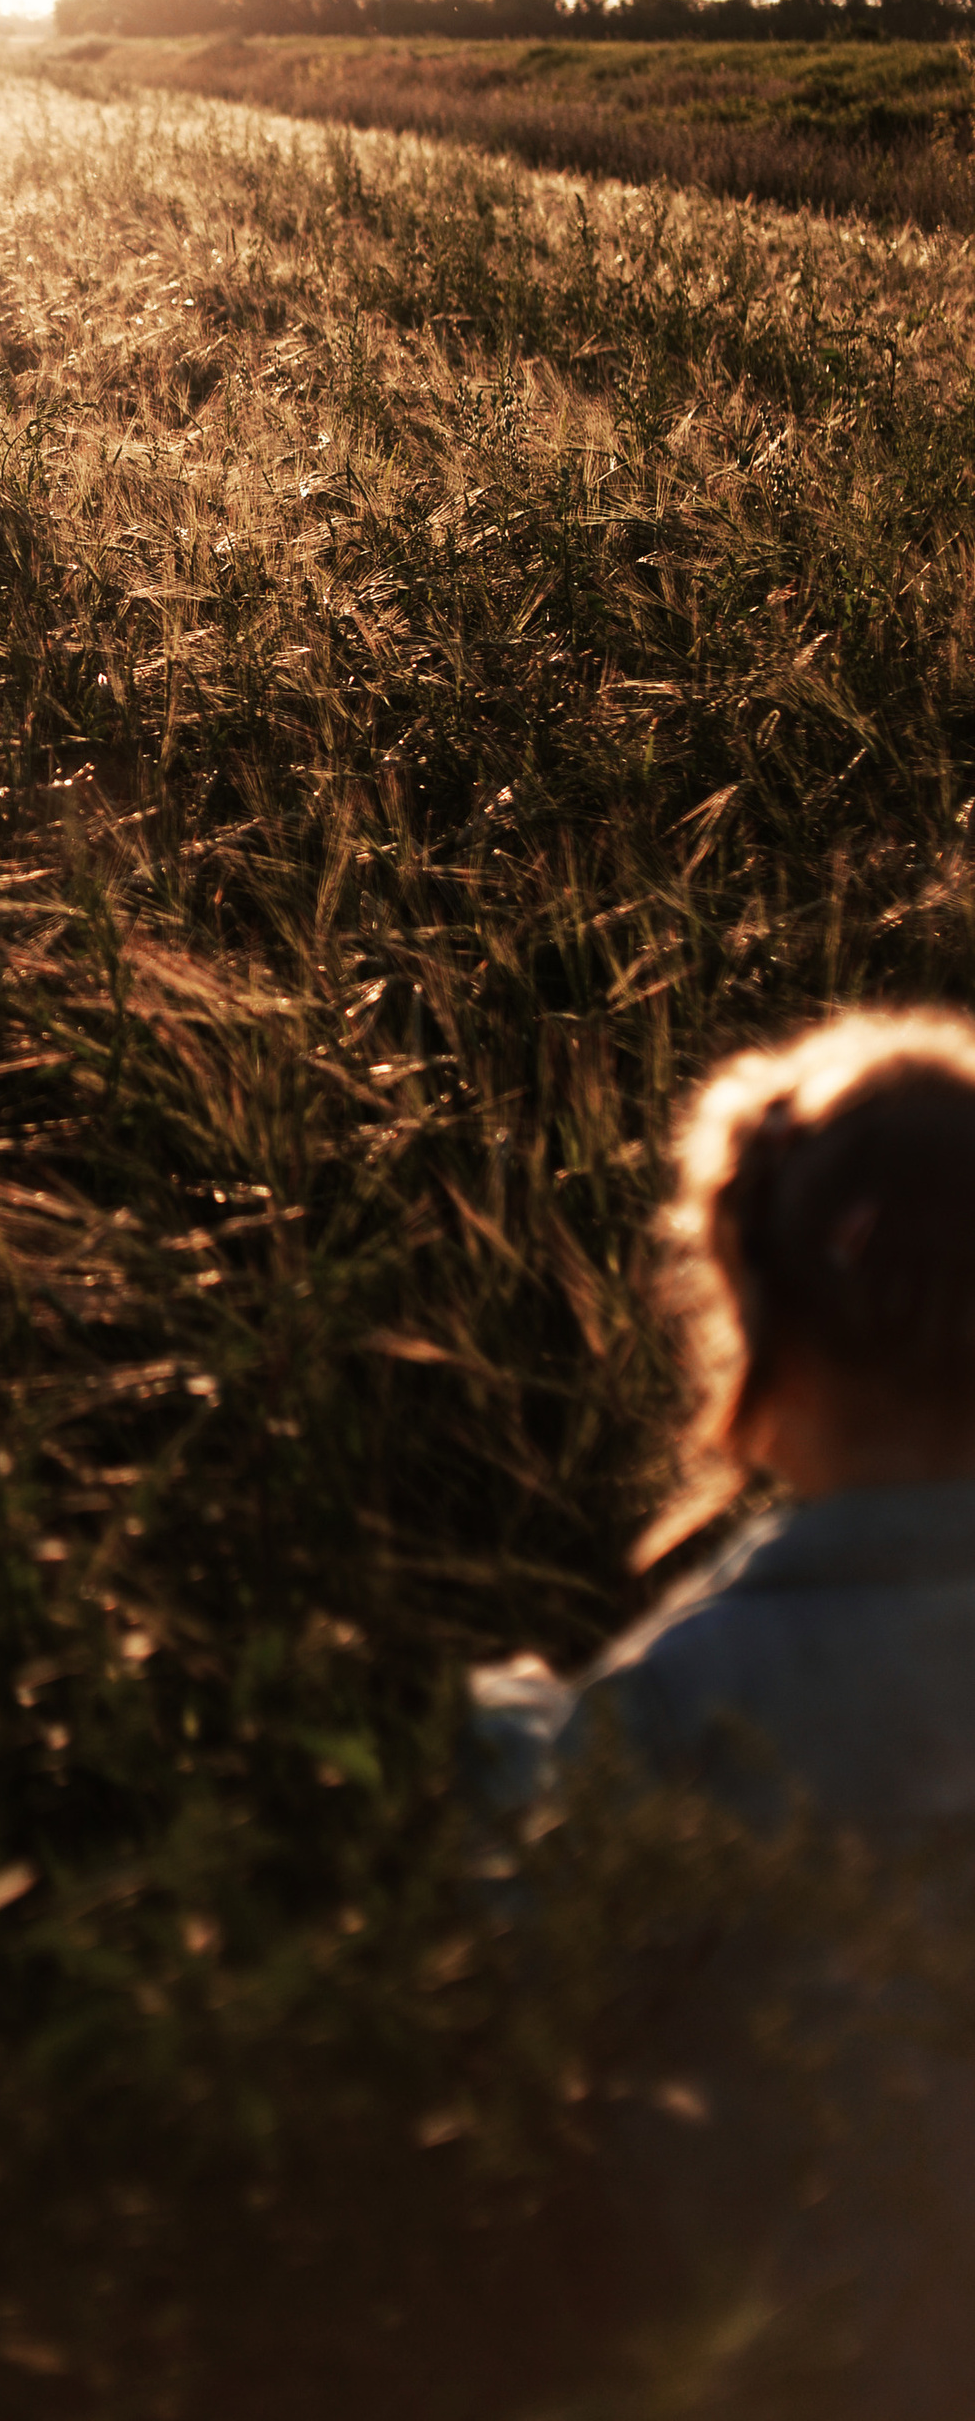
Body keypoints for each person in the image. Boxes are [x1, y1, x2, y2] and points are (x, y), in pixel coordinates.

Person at [469, 1010, 975, 2401]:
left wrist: (503, 1747)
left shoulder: (691, 1698)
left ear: (754, 1336)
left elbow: (542, 1974)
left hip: (787, 2352)